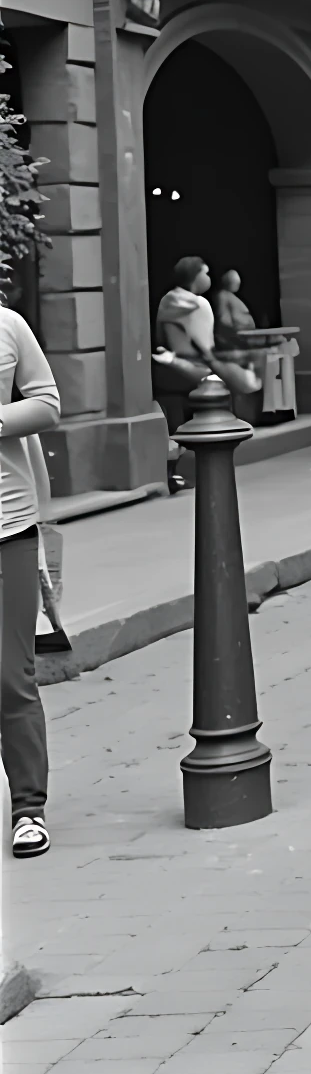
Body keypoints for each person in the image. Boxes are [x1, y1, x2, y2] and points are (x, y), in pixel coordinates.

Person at [1, 300, 61, 857]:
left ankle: (28, 809)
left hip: (7, 524)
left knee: (9, 675)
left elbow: (47, 405)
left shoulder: (8, 326)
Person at [156, 257, 259, 395]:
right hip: (197, 366)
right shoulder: (199, 304)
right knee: (252, 373)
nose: (208, 278)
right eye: (205, 273)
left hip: (175, 360)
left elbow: (159, 336)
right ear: (195, 276)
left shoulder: (167, 300)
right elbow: (207, 350)